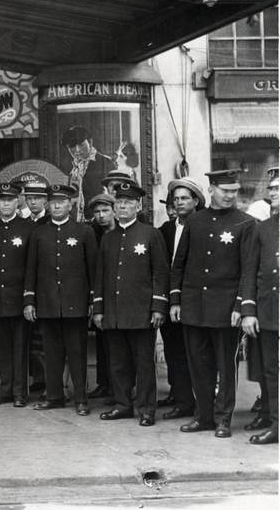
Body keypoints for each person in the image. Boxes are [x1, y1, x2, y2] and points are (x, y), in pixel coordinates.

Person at [170, 169, 256, 438]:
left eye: (234, 191)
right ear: (211, 191)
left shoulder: (246, 223)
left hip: (225, 309)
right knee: (198, 364)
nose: (230, 195)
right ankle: (203, 416)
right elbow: (179, 263)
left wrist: (240, 306)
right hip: (194, 307)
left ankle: (223, 419)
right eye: (225, 190)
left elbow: (248, 269)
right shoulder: (195, 221)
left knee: (225, 366)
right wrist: (175, 300)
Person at [92, 182, 169, 426]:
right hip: (114, 313)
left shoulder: (150, 234)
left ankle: (147, 409)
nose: (123, 206)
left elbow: (160, 273)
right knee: (118, 363)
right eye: (119, 203)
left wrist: (158, 307)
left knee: (144, 364)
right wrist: (99, 308)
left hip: (141, 313)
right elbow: (101, 275)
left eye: (128, 202)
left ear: (138, 206)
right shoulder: (108, 238)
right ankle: (123, 405)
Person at [24, 184, 97, 416]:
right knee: (51, 352)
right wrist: (29, 301)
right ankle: (54, 396)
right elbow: (31, 270)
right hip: (47, 303)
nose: (56, 206)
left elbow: (93, 270)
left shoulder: (84, 232)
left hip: (76, 304)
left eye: (61, 202)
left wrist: (94, 301)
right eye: (52, 202)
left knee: (77, 353)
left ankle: (81, 399)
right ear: (48, 204)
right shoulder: (39, 233)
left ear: (70, 204)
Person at [0, 182, 35, 407]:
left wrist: (29, 298)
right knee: (0, 348)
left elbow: (31, 266)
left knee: (20, 347)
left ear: (17, 202)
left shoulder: (28, 228)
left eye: (10, 200)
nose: (5, 204)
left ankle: (20, 393)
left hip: (19, 298)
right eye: (2, 200)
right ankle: (5, 391)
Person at [157, 177, 205, 420]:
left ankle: (204, 403)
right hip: (170, 302)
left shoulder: (205, 226)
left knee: (197, 354)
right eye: (176, 199)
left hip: (197, 300)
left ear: (196, 200)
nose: (179, 203)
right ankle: (183, 400)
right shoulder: (165, 230)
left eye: (185, 198)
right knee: (174, 351)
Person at [240, 167, 279, 444]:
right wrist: (249, 311)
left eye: (277, 188)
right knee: (271, 371)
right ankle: (276, 425)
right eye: (272, 188)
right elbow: (250, 272)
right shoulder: (264, 228)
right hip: (268, 312)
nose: (272, 193)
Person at [86, 193, 117, 402]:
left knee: (120, 344)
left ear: (114, 211)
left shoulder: (124, 231)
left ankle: (122, 386)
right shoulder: (93, 233)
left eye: (105, 211)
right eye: (97, 212)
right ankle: (104, 383)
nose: (101, 216)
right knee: (102, 341)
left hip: (121, 291)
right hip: (100, 292)